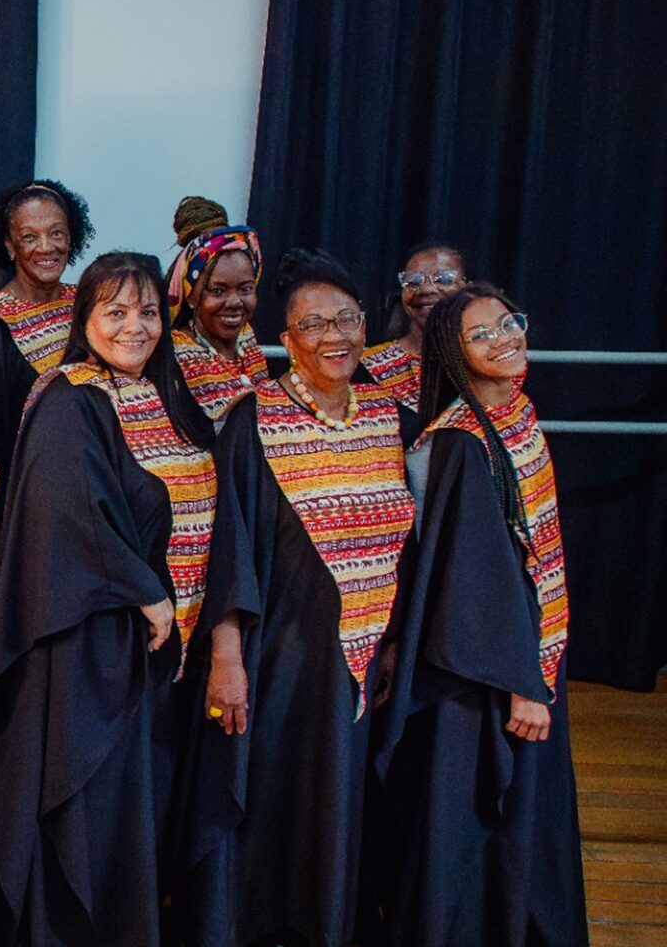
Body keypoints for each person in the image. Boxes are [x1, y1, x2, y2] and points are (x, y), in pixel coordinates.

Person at [0, 251, 216, 947]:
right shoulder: (68, 397)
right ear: (84, 320)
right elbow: (66, 511)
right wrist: (147, 591)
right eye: (114, 311)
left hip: (149, 649)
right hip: (88, 638)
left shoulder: (164, 392)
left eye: (147, 311)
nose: (134, 325)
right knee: (88, 797)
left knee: (134, 802)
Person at [176, 249, 413, 947]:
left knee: (344, 795)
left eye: (346, 319)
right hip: (281, 651)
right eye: (314, 325)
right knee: (277, 788)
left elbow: (414, 547)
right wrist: (227, 657)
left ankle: (329, 919)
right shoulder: (255, 421)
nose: (334, 337)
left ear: (366, 324)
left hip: (366, 657)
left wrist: (396, 638)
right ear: (286, 336)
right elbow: (232, 548)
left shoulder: (391, 420)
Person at [372, 284, 588, 946]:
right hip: (479, 673)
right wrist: (523, 680)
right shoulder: (461, 445)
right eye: (482, 334)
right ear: (453, 353)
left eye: (509, 323)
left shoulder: (517, 414)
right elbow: (471, 585)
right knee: (468, 825)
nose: (506, 339)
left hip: (527, 646)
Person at [0, 179, 95, 494]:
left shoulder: (89, 306)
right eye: (29, 237)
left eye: (56, 233)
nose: (46, 247)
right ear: (9, 245)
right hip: (27, 498)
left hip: (91, 489)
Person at [164, 196, 268, 426]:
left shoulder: (246, 338)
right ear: (190, 295)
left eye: (245, 288)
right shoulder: (178, 354)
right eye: (218, 291)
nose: (234, 302)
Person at [359, 243, 468, 410]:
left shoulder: (491, 358)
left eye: (444, 279)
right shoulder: (368, 364)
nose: (426, 289)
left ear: (469, 288)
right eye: (413, 281)